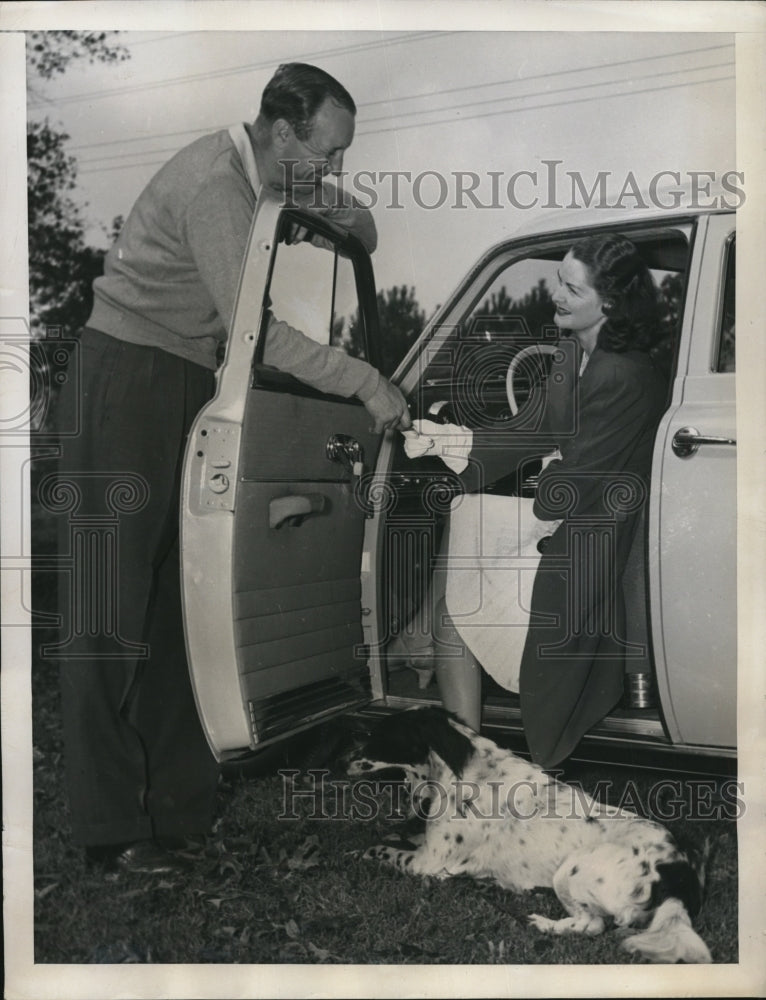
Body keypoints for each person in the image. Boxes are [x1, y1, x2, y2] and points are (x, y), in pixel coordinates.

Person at [55, 62, 410, 876]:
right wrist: (365, 380)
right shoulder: (219, 189)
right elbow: (261, 337)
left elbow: (364, 229)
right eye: (328, 153)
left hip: (186, 376)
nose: (337, 171)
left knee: (183, 603)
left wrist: (328, 198)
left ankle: (178, 811)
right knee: (109, 611)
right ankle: (110, 832)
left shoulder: (267, 175)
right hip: (127, 375)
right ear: (281, 133)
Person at [404, 233, 667, 769]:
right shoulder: (574, 351)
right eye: (559, 281)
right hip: (569, 524)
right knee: (458, 585)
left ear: (609, 303)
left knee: (457, 606)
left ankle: (464, 766)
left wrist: (537, 479)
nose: (557, 295)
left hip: (596, 547)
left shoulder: (625, 374)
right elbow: (532, 429)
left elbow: (573, 485)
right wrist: (453, 442)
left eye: (572, 288)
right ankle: (467, 766)